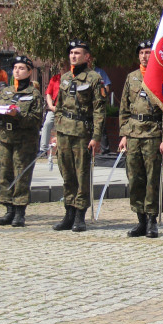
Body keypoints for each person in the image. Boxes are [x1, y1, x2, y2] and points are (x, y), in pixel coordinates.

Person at [119, 41, 163, 238]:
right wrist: (124, 134)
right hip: (134, 134)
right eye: (141, 53)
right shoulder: (131, 78)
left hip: (153, 133)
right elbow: (124, 109)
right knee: (134, 178)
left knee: (152, 179)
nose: (144, 56)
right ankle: (140, 220)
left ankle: (152, 220)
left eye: (148, 53)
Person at [52, 40, 106, 233]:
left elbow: (99, 110)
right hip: (64, 132)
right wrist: (57, 130)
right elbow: (58, 107)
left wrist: (96, 136)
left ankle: (79, 215)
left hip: (82, 133)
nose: (73, 56)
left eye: (78, 53)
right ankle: (68, 212)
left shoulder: (94, 78)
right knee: (66, 174)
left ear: (87, 57)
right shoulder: (65, 78)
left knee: (82, 174)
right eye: (71, 53)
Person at [0, 55, 44, 228]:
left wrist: (17, 115)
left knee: (21, 175)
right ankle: (8, 209)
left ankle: (19, 212)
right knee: (5, 174)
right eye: (15, 68)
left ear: (30, 72)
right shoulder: (6, 92)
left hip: (24, 141)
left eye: (22, 68)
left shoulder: (34, 94)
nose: (17, 71)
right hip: (5, 138)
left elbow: (35, 120)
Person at [39, 70, 62, 152]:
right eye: (62, 66)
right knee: (47, 123)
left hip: (66, 109)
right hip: (54, 108)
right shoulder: (55, 78)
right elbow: (48, 93)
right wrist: (51, 106)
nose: (63, 68)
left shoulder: (72, 78)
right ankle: (43, 149)